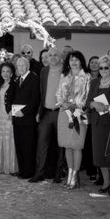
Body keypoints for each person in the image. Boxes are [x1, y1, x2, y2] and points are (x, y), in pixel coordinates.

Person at [86, 55, 110, 195]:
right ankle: (105, 182)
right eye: (100, 67)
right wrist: (94, 104)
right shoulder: (94, 82)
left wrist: (109, 107)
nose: (103, 70)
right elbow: (87, 102)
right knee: (99, 155)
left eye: (106, 67)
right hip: (97, 123)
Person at [29, 46, 64, 183]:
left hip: (61, 113)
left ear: (60, 57)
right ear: (47, 58)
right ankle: (40, 173)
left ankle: (58, 174)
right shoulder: (44, 71)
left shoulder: (66, 72)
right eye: (50, 55)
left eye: (56, 55)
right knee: (41, 144)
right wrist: (39, 111)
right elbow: (41, 94)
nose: (53, 57)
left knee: (60, 146)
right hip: (46, 113)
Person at [56, 51, 90, 189]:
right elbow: (58, 94)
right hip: (64, 113)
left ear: (81, 61)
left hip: (79, 113)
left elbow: (87, 96)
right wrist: (63, 103)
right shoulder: (64, 75)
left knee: (76, 146)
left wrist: (75, 106)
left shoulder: (86, 76)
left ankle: (75, 178)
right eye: (71, 60)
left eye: (76, 60)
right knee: (67, 146)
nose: (74, 62)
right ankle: (69, 176)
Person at [9, 57, 41, 179]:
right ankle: (22, 169)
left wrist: (24, 112)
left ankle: (29, 172)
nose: (20, 68)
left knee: (28, 147)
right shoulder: (18, 79)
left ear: (27, 66)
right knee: (19, 145)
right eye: (18, 66)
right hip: (17, 119)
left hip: (27, 119)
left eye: (23, 65)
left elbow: (35, 99)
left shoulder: (34, 78)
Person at [0, 62, 18, 174]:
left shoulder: (15, 85)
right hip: (0, 114)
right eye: (3, 71)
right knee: (2, 139)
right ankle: (2, 166)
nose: (5, 73)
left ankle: (11, 167)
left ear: (12, 73)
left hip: (9, 114)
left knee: (10, 138)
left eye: (8, 71)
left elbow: (17, 100)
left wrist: (12, 112)